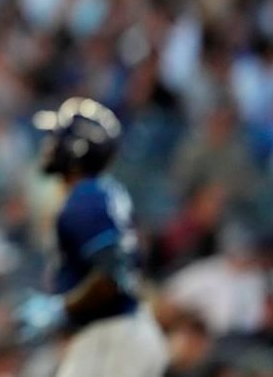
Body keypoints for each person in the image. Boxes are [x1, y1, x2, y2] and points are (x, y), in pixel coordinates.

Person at [16, 97, 169, 376]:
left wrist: (61, 308)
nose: (49, 146)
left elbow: (111, 277)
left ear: (76, 149)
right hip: (122, 333)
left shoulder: (85, 198)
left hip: (114, 337)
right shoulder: (100, 192)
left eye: (57, 139)